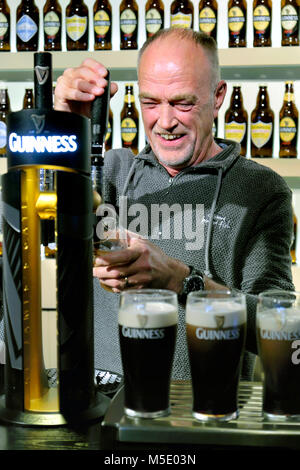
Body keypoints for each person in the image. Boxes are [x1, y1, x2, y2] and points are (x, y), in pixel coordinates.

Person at [55, 28, 294, 380]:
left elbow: (285, 334)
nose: (165, 123)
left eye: (183, 103)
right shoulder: (111, 174)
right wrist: (65, 129)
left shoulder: (259, 191)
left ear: (218, 96)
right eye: (151, 103)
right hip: (94, 409)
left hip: (195, 417)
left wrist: (181, 280)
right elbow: (35, 227)